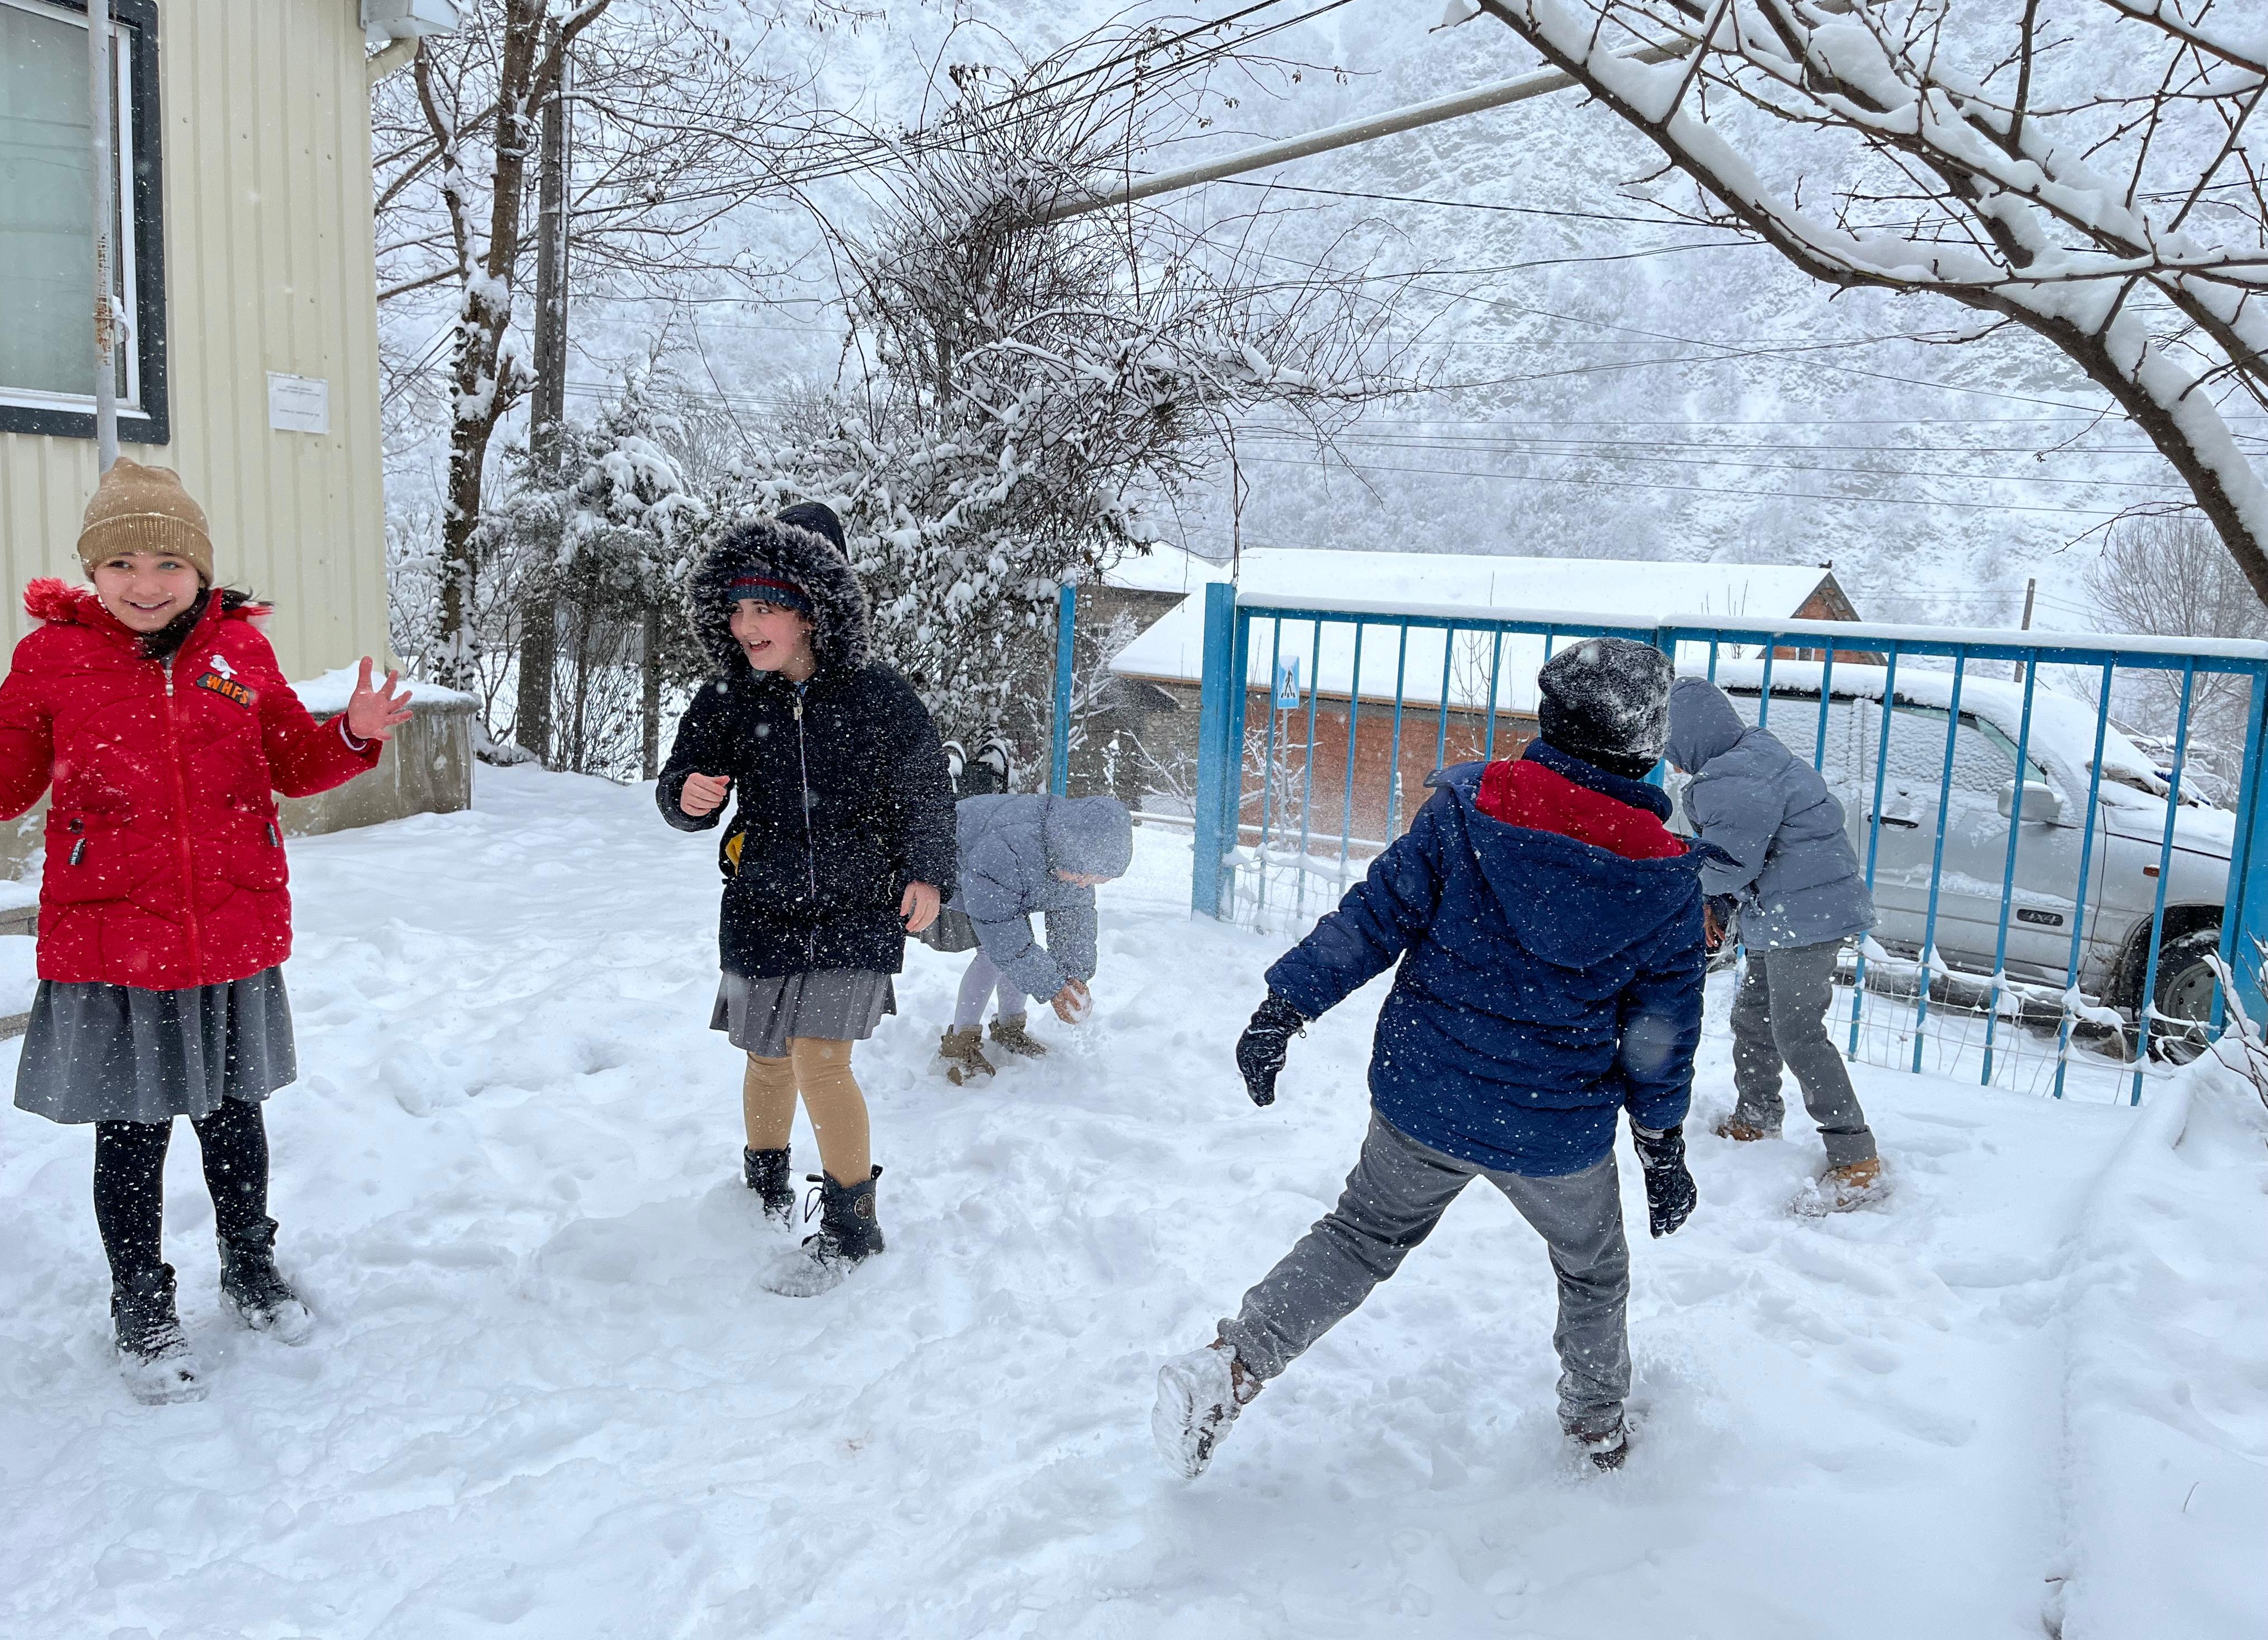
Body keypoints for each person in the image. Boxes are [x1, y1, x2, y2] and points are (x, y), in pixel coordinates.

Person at [1154, 638, 1706, 1480]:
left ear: (1552, 719)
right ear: (1643, 744)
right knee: (1593, 1272)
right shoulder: (1662, 878)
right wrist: (1661, 1150)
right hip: (1552, 1130)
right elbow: (1660, 1036)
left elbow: (1375, 918)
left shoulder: (1470, 809)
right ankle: (1598, 1436)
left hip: (1429, 1095)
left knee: (1361, 1236)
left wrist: (1285, 1006)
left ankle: (1229, 1372)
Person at [0, 460, 411, 1403]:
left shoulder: (237, 653)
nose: (147, 583)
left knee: (235, 1118)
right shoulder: (52, 660)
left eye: (169, 562)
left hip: (226, 929)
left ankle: (250, 1264)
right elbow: (8, 780)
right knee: (133, 1133)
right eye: (125, 562)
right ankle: (140, 1300)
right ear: (92, 571)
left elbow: (290, 761)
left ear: (200, 567)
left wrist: (349, 733)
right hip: (114, 943)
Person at [657, 501, 956, 1296]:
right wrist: (685, 796)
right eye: (738, 608)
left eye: (767, 607)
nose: (748, 625)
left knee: (822, 1062)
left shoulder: (880, 699)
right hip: (762, 906)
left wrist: (929, 873)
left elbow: (927, 792)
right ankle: (763, 1188)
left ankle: (853, 1229)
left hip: (859, 907)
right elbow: (682, 784)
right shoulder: (727, 698)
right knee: (765, 1057)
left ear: (815, 609)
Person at [1665, 677, 1885, 1213]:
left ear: (1690, 736)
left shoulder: (1735, 777)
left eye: (1669, 745)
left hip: (1802, 915)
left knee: (1798, 1032)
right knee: (1755, 1019)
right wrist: (1715, 899)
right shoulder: (1750, 757)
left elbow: (1729, 861)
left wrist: (1687, 888)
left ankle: (1855, 1157)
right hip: (1788, 911)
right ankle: (1756, 1118)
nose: (1670, 762)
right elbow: (1743, 856)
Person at [935, 793, 1133, 1083]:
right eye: (1083, 875)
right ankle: (958, 1045)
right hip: (955, 867)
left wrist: (1072, 977)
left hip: (1005, 880)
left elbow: (1074, 921)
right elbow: (1003, 934)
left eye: (1092, 880)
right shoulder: (1010, 847)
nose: (1083, 883)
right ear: (1073, 852)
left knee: (1021, 951)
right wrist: (1052, 987)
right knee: (993, 955)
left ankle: (1009, 1028)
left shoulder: (1072, 853)